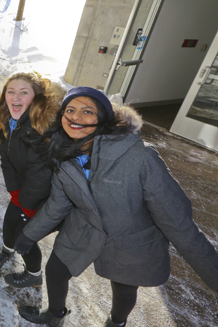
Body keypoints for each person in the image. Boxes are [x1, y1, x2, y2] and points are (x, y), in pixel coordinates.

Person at [14, 87, 218, 327]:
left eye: (87, 111)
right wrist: (30, 233)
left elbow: (179, 224)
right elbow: (57, 205)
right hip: (83, 228)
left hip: (129, 241)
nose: (75, 117)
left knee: (123, 289)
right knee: (56, 271)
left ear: (104, 119)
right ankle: (54, 315)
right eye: (70, 110)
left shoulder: (140, 158)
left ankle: (116, 322)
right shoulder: (63, 156)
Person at [0, 72, 64, 287]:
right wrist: (14, 191)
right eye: (10, 92)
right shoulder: (9, 121)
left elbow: (41, 175)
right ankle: (7, 250)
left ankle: (34, 274)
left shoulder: (41, 128)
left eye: (23, 92)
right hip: (24, 191)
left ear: (37, 98)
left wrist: (26, 205)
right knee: (9, 221)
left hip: (44, 197)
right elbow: (6, 159)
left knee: (24, 235)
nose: (15, 98)